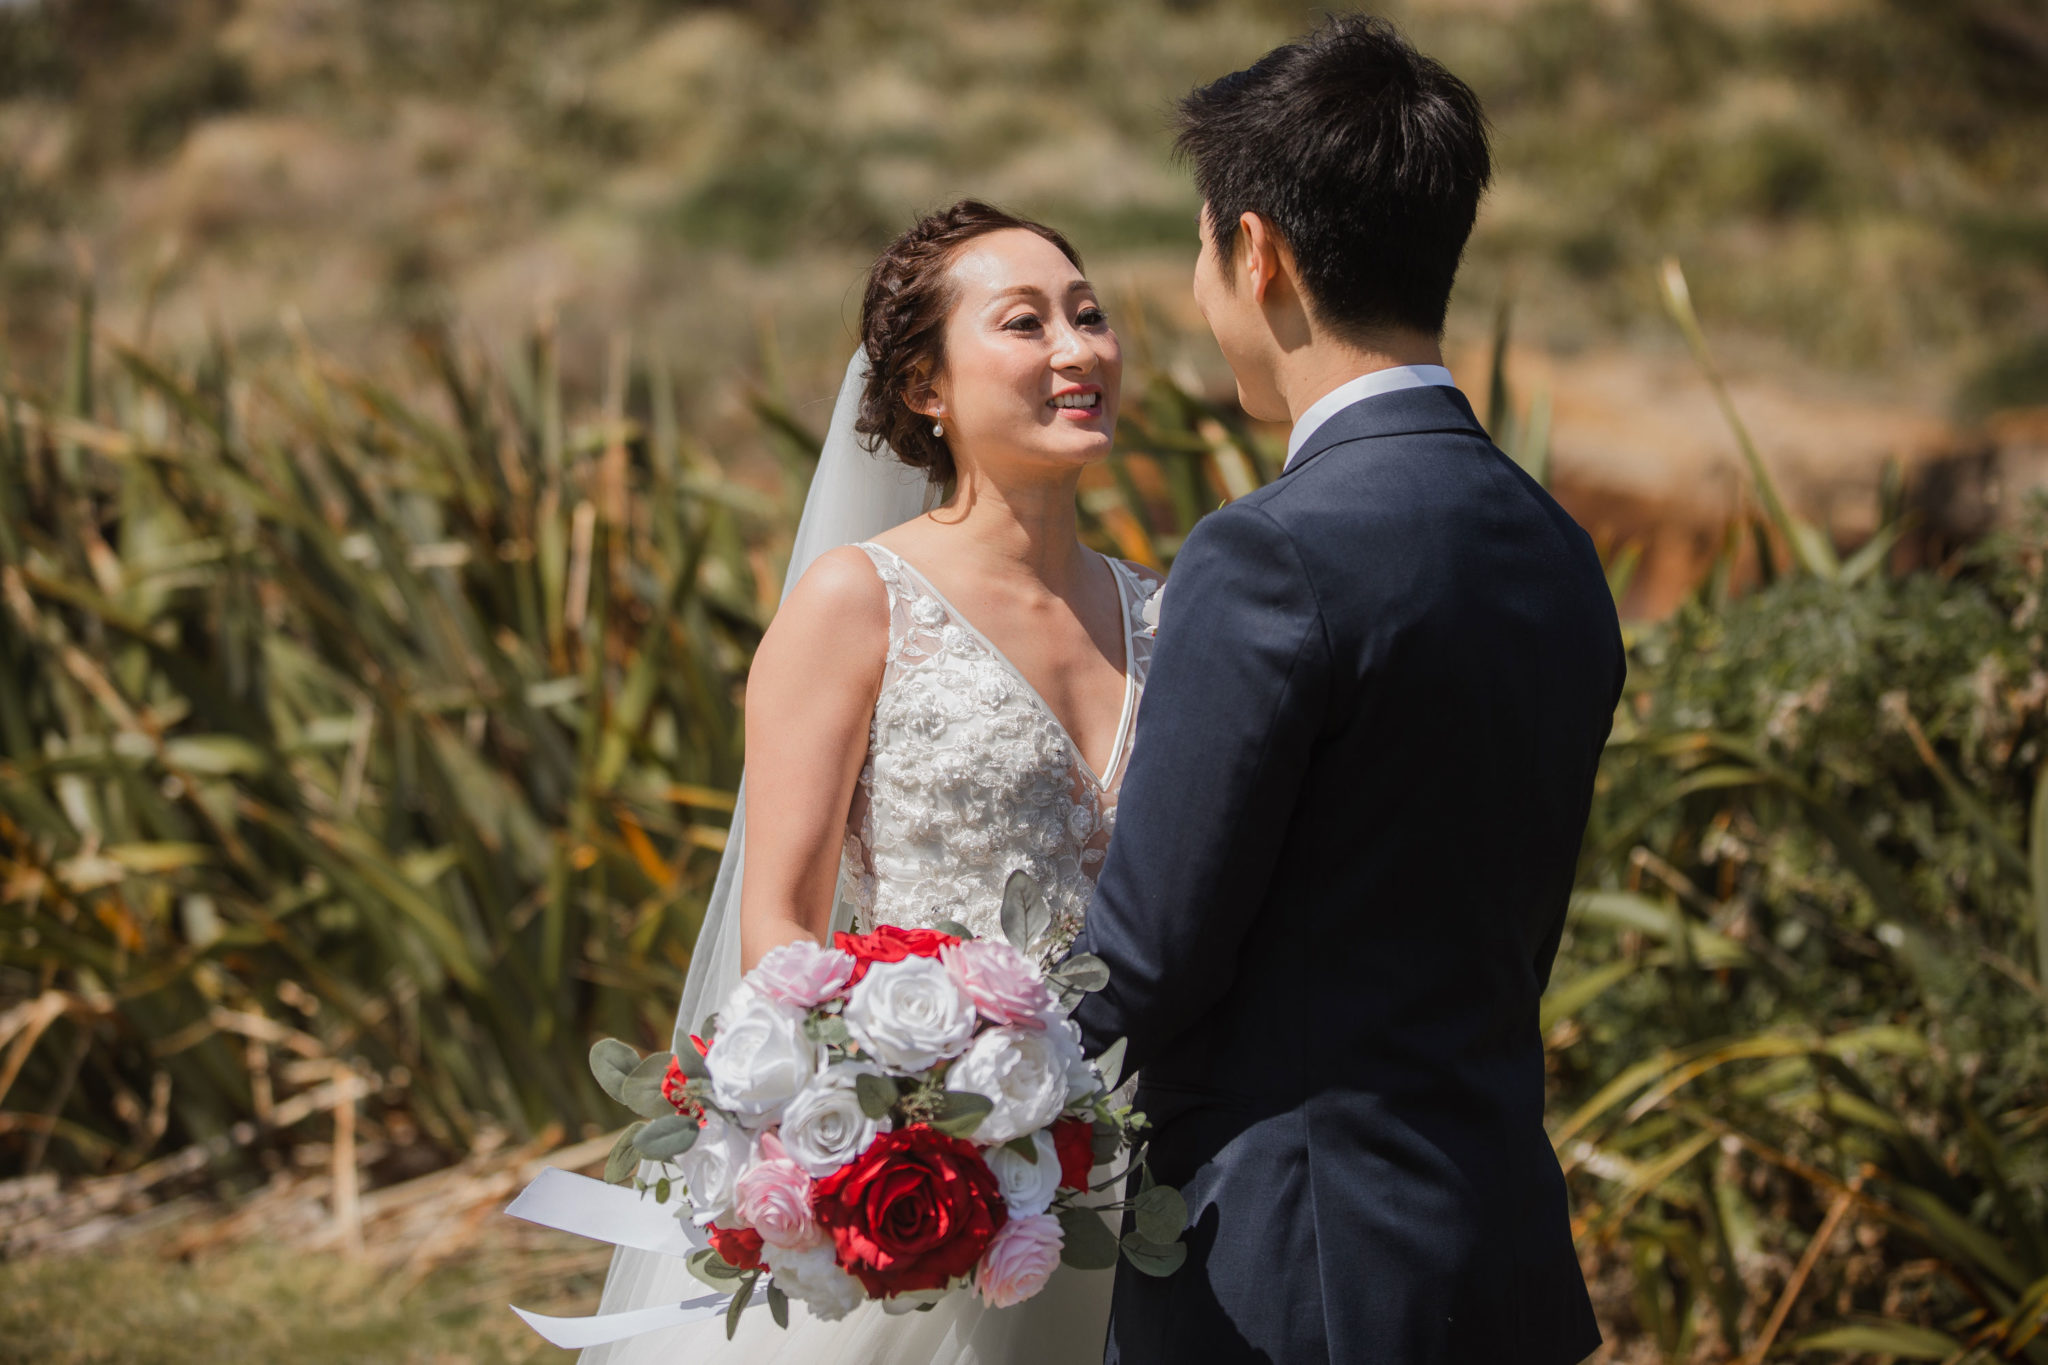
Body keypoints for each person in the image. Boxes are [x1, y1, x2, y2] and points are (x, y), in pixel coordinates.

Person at [1066, 14, 1623, 1365]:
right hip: (1496, 1248)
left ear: (1258, 254)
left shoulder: (1270, 554)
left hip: (1297, 1266)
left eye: (1204, 254)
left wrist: (928, 1086)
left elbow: (1147, 958)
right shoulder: (1556, 548)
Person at [573, 198, 1157, 1363]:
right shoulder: (857, 601)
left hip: (1134, 1170)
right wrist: (889, 1148)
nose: (1076, 349)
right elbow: (779, 925)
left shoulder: (1168, 610)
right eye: (1025, 323)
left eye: (1087, 317)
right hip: (936, 1166)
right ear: (926, 389)